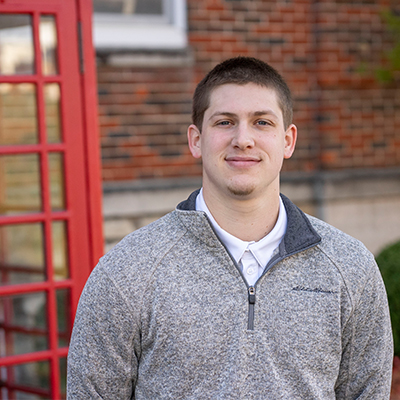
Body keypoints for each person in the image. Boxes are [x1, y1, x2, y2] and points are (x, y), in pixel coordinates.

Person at [67, 57, 393, 399]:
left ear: (288, 141)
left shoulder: (350, 267)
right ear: (196, 140)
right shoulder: (127, 271)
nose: (243, 139)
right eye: (225, 122)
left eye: (262, 122)